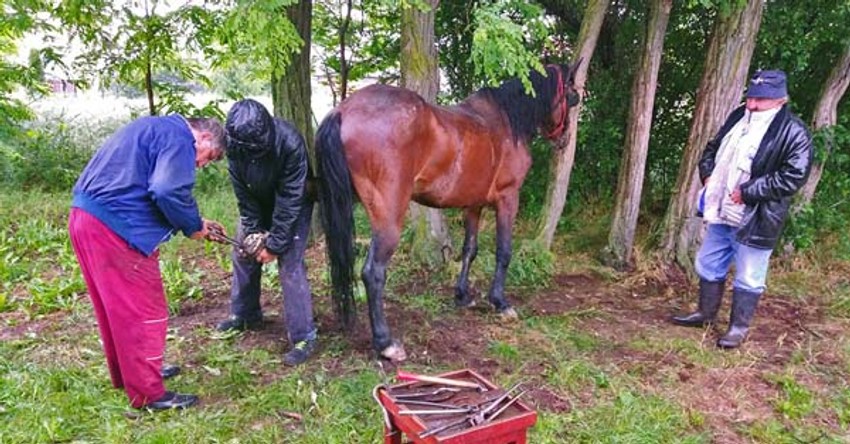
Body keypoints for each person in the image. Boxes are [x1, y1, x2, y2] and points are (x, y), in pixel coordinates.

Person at [69, 114, 226, 410]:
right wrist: (192, 227)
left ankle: (132, 374)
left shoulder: (155, 128)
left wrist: (196, 221)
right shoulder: (181, 137)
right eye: (211, 157)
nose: (202, 164)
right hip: (116, 229)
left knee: (115, 308)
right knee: (142, 309)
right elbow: (167, 190)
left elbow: (141, 184)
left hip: (87, 218)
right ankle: (148, 393)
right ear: (204, 138)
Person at [672, 69, 813, 348]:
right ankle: (705, 313)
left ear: (780, 100)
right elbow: (712, 149)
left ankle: (738, 327)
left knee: (749, 272)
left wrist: (748, 192)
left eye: (760, 100)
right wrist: (708, 175)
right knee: (710, 262)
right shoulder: (738, 116)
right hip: (721, 208)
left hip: (757, 217)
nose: (752, 104)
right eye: (751, 97)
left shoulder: (794, 131)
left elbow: (793, 176)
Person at [216, 99, 318, 366]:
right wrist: (253, 234)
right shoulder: (235, 147)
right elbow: (243, 195)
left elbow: (290, 197)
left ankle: (303, 336)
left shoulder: (290, 142)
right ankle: (245, 314)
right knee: (242, 251)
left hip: (294, 204)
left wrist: (274, 244)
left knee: (290, 265)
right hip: (258, 203)